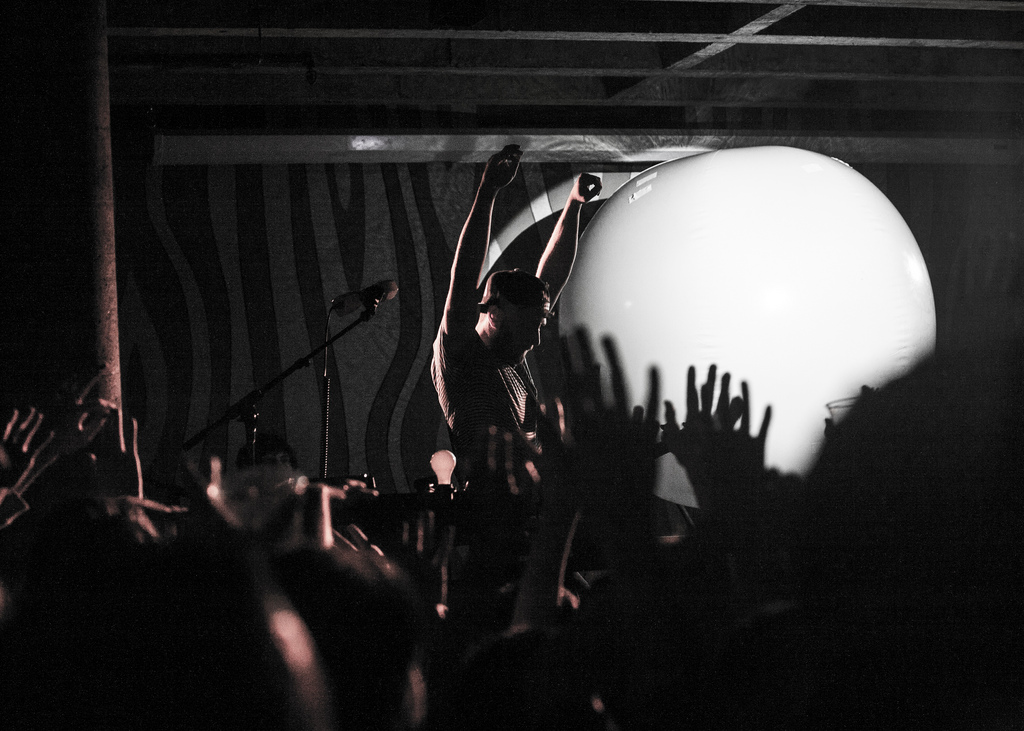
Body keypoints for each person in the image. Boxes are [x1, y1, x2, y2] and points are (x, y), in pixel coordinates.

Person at [431, 144, 601, 490]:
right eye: (528, 327)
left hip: (531, 504)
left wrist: (574, 204)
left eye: (539, 325)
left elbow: (548, 281)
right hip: (492, 512)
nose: (536, 339)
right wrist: (488, 190)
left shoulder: (513, 357)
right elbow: (463, 278)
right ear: (493, 315)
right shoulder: (460, 351)